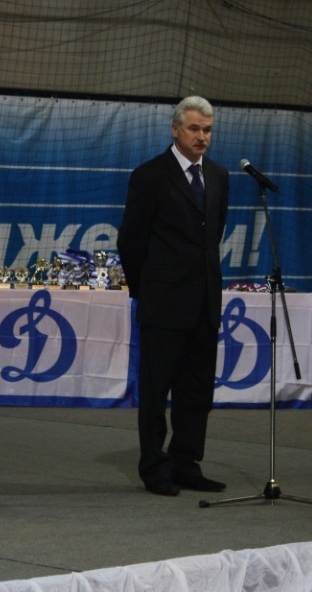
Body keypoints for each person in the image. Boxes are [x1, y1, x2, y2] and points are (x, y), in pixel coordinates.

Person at [118, 96, 230, 496]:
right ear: (175, 129)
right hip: (163, 303)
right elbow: (131, 241)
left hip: (204, 303)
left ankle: (187, 464)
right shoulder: (149, 176)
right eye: (194, 129)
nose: (202, 137)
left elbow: (211, 236)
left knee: (197, 392)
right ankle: (154, 467)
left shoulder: (218, 176)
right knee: (156, 392)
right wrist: (147, 290)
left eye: (207, 130)